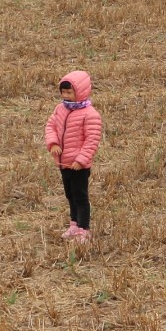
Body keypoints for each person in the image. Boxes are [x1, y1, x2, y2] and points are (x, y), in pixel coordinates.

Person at [44, 70, 103, 241]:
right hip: (63, 163)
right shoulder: (60, 109)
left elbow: (92, 140)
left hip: (79, 165)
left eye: (69, 92)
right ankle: (74, 224)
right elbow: (51, 126)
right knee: (70, 195)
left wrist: (81, 160)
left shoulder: (90, 115)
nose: (66, 96)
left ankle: (84, 228)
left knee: (80, 196)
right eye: (63, 92)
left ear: (80, 91)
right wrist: (53, 143)